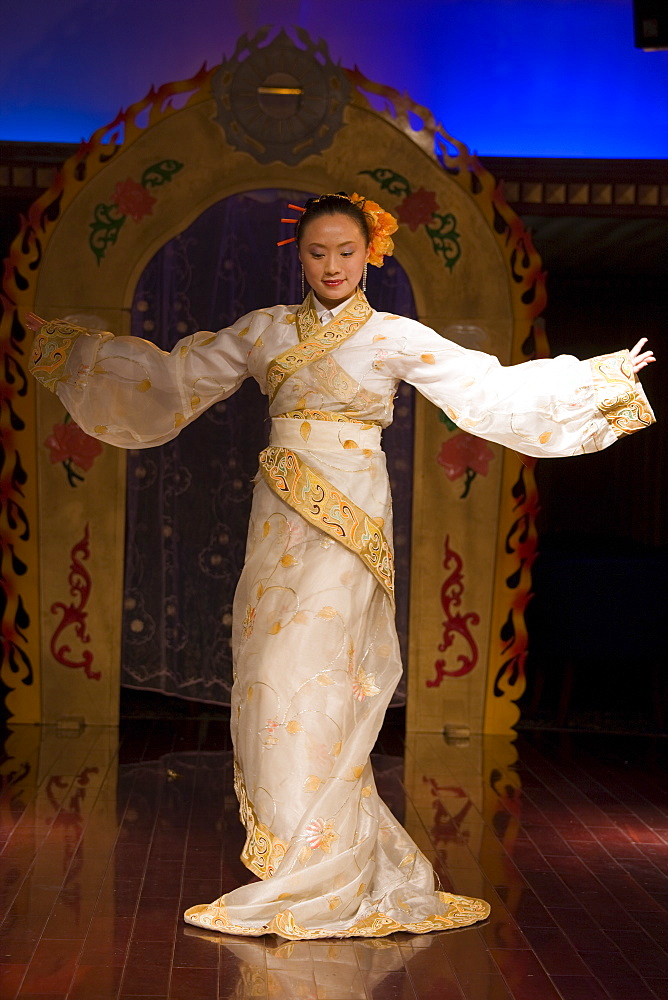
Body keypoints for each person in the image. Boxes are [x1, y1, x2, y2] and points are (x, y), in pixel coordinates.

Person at [27, 192, 655, 941]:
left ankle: (324, 861)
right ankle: (302, 849)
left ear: (370, 255)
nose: (332, 265)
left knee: (322, 674)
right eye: (319, 252)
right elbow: (170, 379)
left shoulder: (392, 337)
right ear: (302, 254)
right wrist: (72, 350)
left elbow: (486, 388)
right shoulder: (264, 330)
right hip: (278, 520)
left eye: (346, 253)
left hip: (352, 523)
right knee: (267, 676)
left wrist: (603, 377)